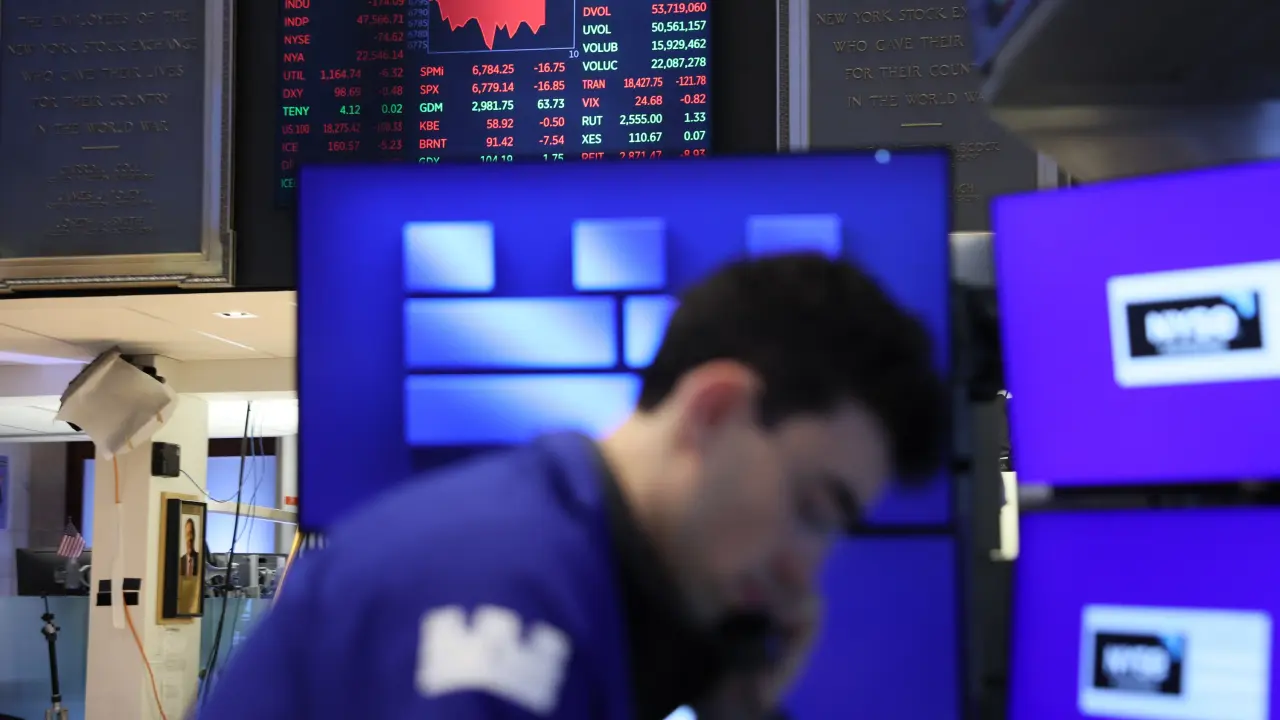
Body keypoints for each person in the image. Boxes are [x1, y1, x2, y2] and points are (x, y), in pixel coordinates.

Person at [199, 253, 946, 719]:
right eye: (810, 511)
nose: (802, 574)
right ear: (714, 411)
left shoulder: (567, 560)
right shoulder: (505, 589)